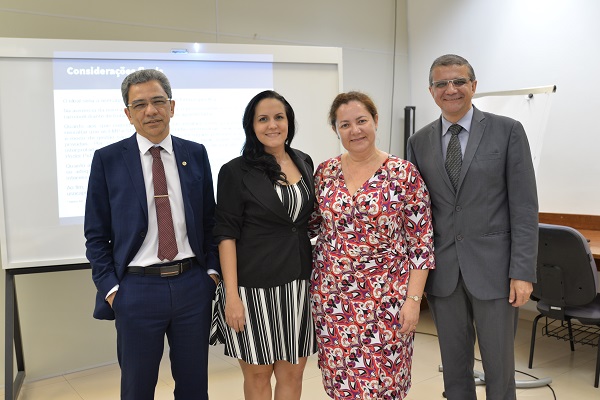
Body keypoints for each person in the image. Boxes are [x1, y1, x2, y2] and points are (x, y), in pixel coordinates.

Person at [406, 54, 539, 400]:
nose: (450, 89)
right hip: (444, 273)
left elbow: (524, 208)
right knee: (454, 368)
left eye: (459, 81)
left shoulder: (507, 131)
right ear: (431, 91)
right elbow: (417, 214)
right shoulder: (418, 142)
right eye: (441, 83)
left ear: (473, 85)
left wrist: (522, 272)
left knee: (499, 368)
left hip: (496, 272)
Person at [84, 69, 220, 400]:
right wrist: (112, 290)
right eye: (140, 104)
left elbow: (210, 220)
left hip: (192, 286)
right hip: (136, 290)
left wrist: (212, 275)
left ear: (172, 107)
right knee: (137, 388)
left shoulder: (195, 153)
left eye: (158, 101)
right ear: (128, 113)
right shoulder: (107, 159)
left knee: (194, 387)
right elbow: (96, 234)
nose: (151, 111)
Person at [310, 91, 435, 399]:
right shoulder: (325, 173)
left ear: (375, 121)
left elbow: (421, 245)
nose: (355, 130)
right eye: (345, 125)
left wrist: (414, 301)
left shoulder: (403, 174)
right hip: (333, 299)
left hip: (388, 299)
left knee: (385, 384)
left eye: (361, 121)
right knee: (342, 385)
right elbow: (309, 225)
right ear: (336, 130)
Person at [209, 90, 317, 400]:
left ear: (289, 121)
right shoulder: (234, 171)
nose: (272, 125)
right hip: (252, 288)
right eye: (263, 119)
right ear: (251, 126)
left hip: (299, 285)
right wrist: (231, 297)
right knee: (258, 375)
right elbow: (226, 236)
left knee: (293, 373)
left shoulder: (303, 160)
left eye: (279, 117)